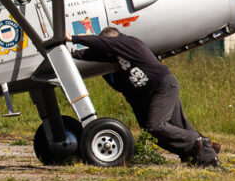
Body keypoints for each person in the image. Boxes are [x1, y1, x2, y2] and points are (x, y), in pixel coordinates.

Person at [70, 27, 219, 167]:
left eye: (108, 49)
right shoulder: (117, 54)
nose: (107, 54)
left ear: (114, 42)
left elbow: (101, 43)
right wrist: (69, 53)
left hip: (163, 86)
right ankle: (201, 154)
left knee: (156, 126)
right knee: (168, 128)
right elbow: (89, 54)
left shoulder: (128, 43)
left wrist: (72, 38)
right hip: (152, 93)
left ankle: (196, 141)